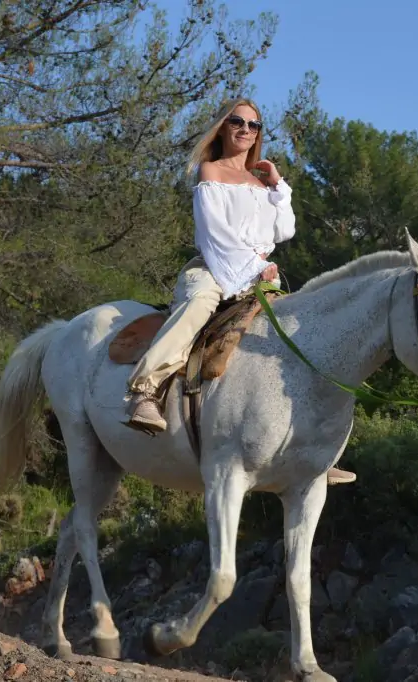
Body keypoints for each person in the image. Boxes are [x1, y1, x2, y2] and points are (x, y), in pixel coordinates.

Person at [122, 98, 356, 485]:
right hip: (215, 268)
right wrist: (255, 266)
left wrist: (278, 186)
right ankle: (145, 391)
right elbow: (216, 235)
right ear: (223, 126)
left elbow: (285, 231)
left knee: (305, 335)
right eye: (238, 122)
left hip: (259, 277)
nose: (246, 130)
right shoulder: (209, 170)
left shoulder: (261, 183)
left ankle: (312, 446)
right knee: (197, 307)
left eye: (255, 125)